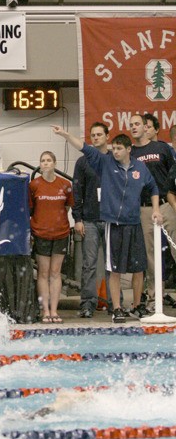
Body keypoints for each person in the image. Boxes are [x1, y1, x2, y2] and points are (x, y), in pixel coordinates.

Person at [51, 124, 161, 324]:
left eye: (120, 148)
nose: (116, 152)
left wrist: (155, 209)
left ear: (129, 150)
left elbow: (153, 187)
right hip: (113, 224)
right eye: (114, 148)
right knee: (113, 268)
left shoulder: (140, 167)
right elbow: (83, 147)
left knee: (139, 268)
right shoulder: (106, 163)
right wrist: (66, 134)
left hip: (134, 223)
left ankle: (137, 306)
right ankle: (116, 308)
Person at [129, 113, 176, 309]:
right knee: (150, 256)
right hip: (144, 208)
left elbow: (173, 177)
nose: (134, 127)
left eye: (138, 124)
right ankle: (154, 298)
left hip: (166, 204)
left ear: (146, 127)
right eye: (131, 125)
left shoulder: (162, 148)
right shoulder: (130, 154)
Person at [72, 122, 112, 318]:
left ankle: (114, 302)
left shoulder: (114, 159)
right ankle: (88, 303)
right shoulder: (82, 162)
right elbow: (76, 190)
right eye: (93, 135)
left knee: (112, 264)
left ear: (107, 136)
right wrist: (77, 218)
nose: (96, 138)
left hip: (111, 219)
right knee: (89, 264)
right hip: (89, 219)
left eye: (99, 135)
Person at [29, 151, 73, 324]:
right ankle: (45, 310)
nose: (46, 163)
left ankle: (54, 310)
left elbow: (68, 207)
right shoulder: (34, 185)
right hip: (41, 233)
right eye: (42, 161)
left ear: (54, 163)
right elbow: (31, 209)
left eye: (49, 160)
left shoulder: (65, 184)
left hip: (60, 233)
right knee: (43, 272)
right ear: (40, 165)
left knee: (56, 273)